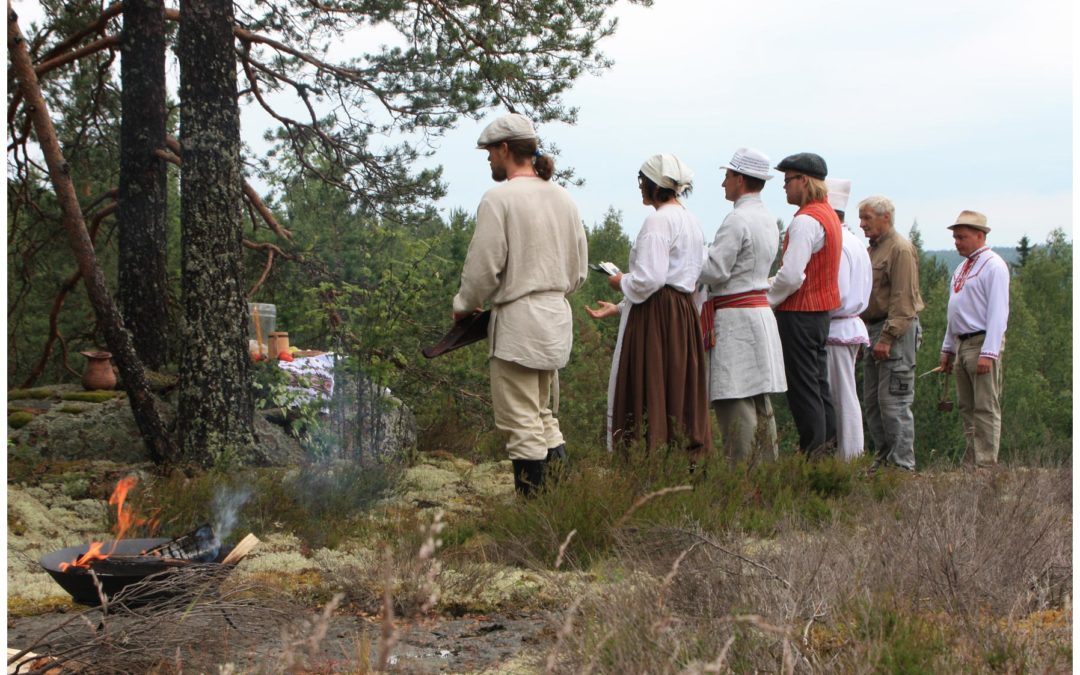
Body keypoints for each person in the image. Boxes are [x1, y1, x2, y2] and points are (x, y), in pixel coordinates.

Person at [453, 113, 588, 496]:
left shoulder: (500, 199)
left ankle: (535, 527)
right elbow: (578, 270)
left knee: (521, 424)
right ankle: (562, 510)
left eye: (491, 152)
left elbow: (483, 268)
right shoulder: (564, 197)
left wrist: (464, 305)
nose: (488, 160)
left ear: (506, 149)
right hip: (555, 318)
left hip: (518, 325)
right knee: (543, 417)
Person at [585, 154, 711, 459]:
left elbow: (652, 279)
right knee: (676, 390)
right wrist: (620, 306)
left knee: (650, 384)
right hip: (681, 314)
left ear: (656, 185)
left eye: (643, 182)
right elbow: (680, 276)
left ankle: (647, 459)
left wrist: (620, 281)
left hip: (658, 317)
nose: (640, 187)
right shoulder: (690, 220)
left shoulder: (659, 220)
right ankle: (679, 459)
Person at [698, 147, 786, 462]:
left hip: (736, 317)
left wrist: (694, 258)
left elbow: (715, 270)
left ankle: (744, 477)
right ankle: (766, 471)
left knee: (734, 398)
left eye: (727, 176)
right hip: (757, 313)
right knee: (759, 400)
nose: (723, 183)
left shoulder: (737, 219)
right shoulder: (767, 218)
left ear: (739, 179)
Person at [768, 152, 842, 456]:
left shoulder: (805, 220)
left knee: (803, 389)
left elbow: (791, 276)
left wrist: (766, 300)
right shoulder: (829, 216)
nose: (784, 187)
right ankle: (825, 451)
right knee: (819, 386)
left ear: (804, 181)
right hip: (820, 313)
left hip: (799, 313)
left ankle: (811, 454)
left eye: (788, 180)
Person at [938, 210, 1010, 467]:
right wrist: (947, 348)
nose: (957, 242)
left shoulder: (994, 266)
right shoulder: (961, 268)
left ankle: (986, 463)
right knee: (966, 406)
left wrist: (989, 353)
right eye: (955, 237)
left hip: (980, 343)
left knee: (985, 406)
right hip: (961, 344)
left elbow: (998, 313)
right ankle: (973, 459)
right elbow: (954, 310)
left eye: (962, 237)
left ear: (979, 235)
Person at [858, 195, 923, 471]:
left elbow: (903, 301)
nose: (862, 224)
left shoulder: (900, 249)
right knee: (873, 402)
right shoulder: (873, 249)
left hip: (894, 333)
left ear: (886, 217)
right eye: (861, 218)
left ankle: (901, 466)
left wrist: (887, 337)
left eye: (867, 218)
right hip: (873, 330)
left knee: (893, 401)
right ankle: (884, 459)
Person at [823, 179, 872, 460]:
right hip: (848, 324)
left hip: (837, 325)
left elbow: (837, 294)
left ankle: (849, 457)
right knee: (844, 393)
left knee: (841, 396)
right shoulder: (854, 241)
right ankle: (848, 455)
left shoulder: (838, 244)